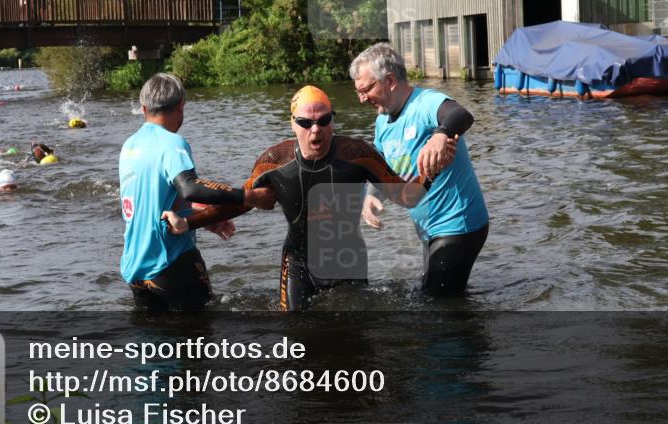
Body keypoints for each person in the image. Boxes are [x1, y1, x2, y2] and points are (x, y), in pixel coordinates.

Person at [164, 85, 437, 311]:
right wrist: (190, 224)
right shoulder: (274, 161)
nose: (315, 130)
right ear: (293, 124)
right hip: (298, 262)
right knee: (294, 333)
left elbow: (405, 196)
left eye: (324, 121)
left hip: (347, 259)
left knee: (356, 339)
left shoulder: (358, 153)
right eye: (306, 123)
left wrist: (432, 170)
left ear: (332, 120)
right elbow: (243, 202)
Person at [119, 73, 276, 311]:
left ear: (143, 108)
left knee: (153, 344)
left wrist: (203, 220)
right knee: (199, 341)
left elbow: (154, 205)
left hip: (135, 270)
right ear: (181, 106)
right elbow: (189, 187)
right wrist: (248, 197)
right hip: (171, 264)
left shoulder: (129, 146)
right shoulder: (172, 143)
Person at [350, 42, 489, 296]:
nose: (361, 99)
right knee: (439, 296)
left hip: (458, 224)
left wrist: (441, 133)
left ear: (390, 80)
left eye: (366, 89)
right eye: (358, 92)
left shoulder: (425, 103)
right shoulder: (382, 121)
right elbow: (380, 167)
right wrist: (370, 196)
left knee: (435, 306)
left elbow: (461, 115)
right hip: (430, 229)